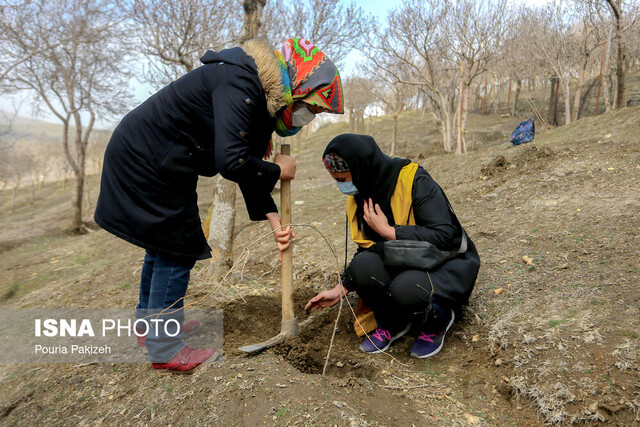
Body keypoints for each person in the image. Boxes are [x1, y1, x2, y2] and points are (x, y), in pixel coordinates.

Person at [95, 37, 343, 372]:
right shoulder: (242, 80)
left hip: (161, 158)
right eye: (310, 106)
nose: (307, 115)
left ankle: (149, 326)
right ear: (297, 83)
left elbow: (246, 165)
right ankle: (165, 348)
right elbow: (232, 161)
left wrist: (274, 220)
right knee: (177, 244)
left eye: (314, 112)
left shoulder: (260, 101)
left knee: (163, 242)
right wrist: (278, 169)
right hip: (147, 157)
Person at [305, 134, 480, 359]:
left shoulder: (414, 179)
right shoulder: (359, 196)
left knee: (406, 288)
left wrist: (390, 231)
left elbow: (445, 236)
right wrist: (343, 288)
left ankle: (438, 321)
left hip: (446, 261)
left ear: (362, 168)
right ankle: (394, 322)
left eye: (343, 179)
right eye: (337, 180)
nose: (342, 186)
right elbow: (367, 249)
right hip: (404, 260)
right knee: (362, 267)